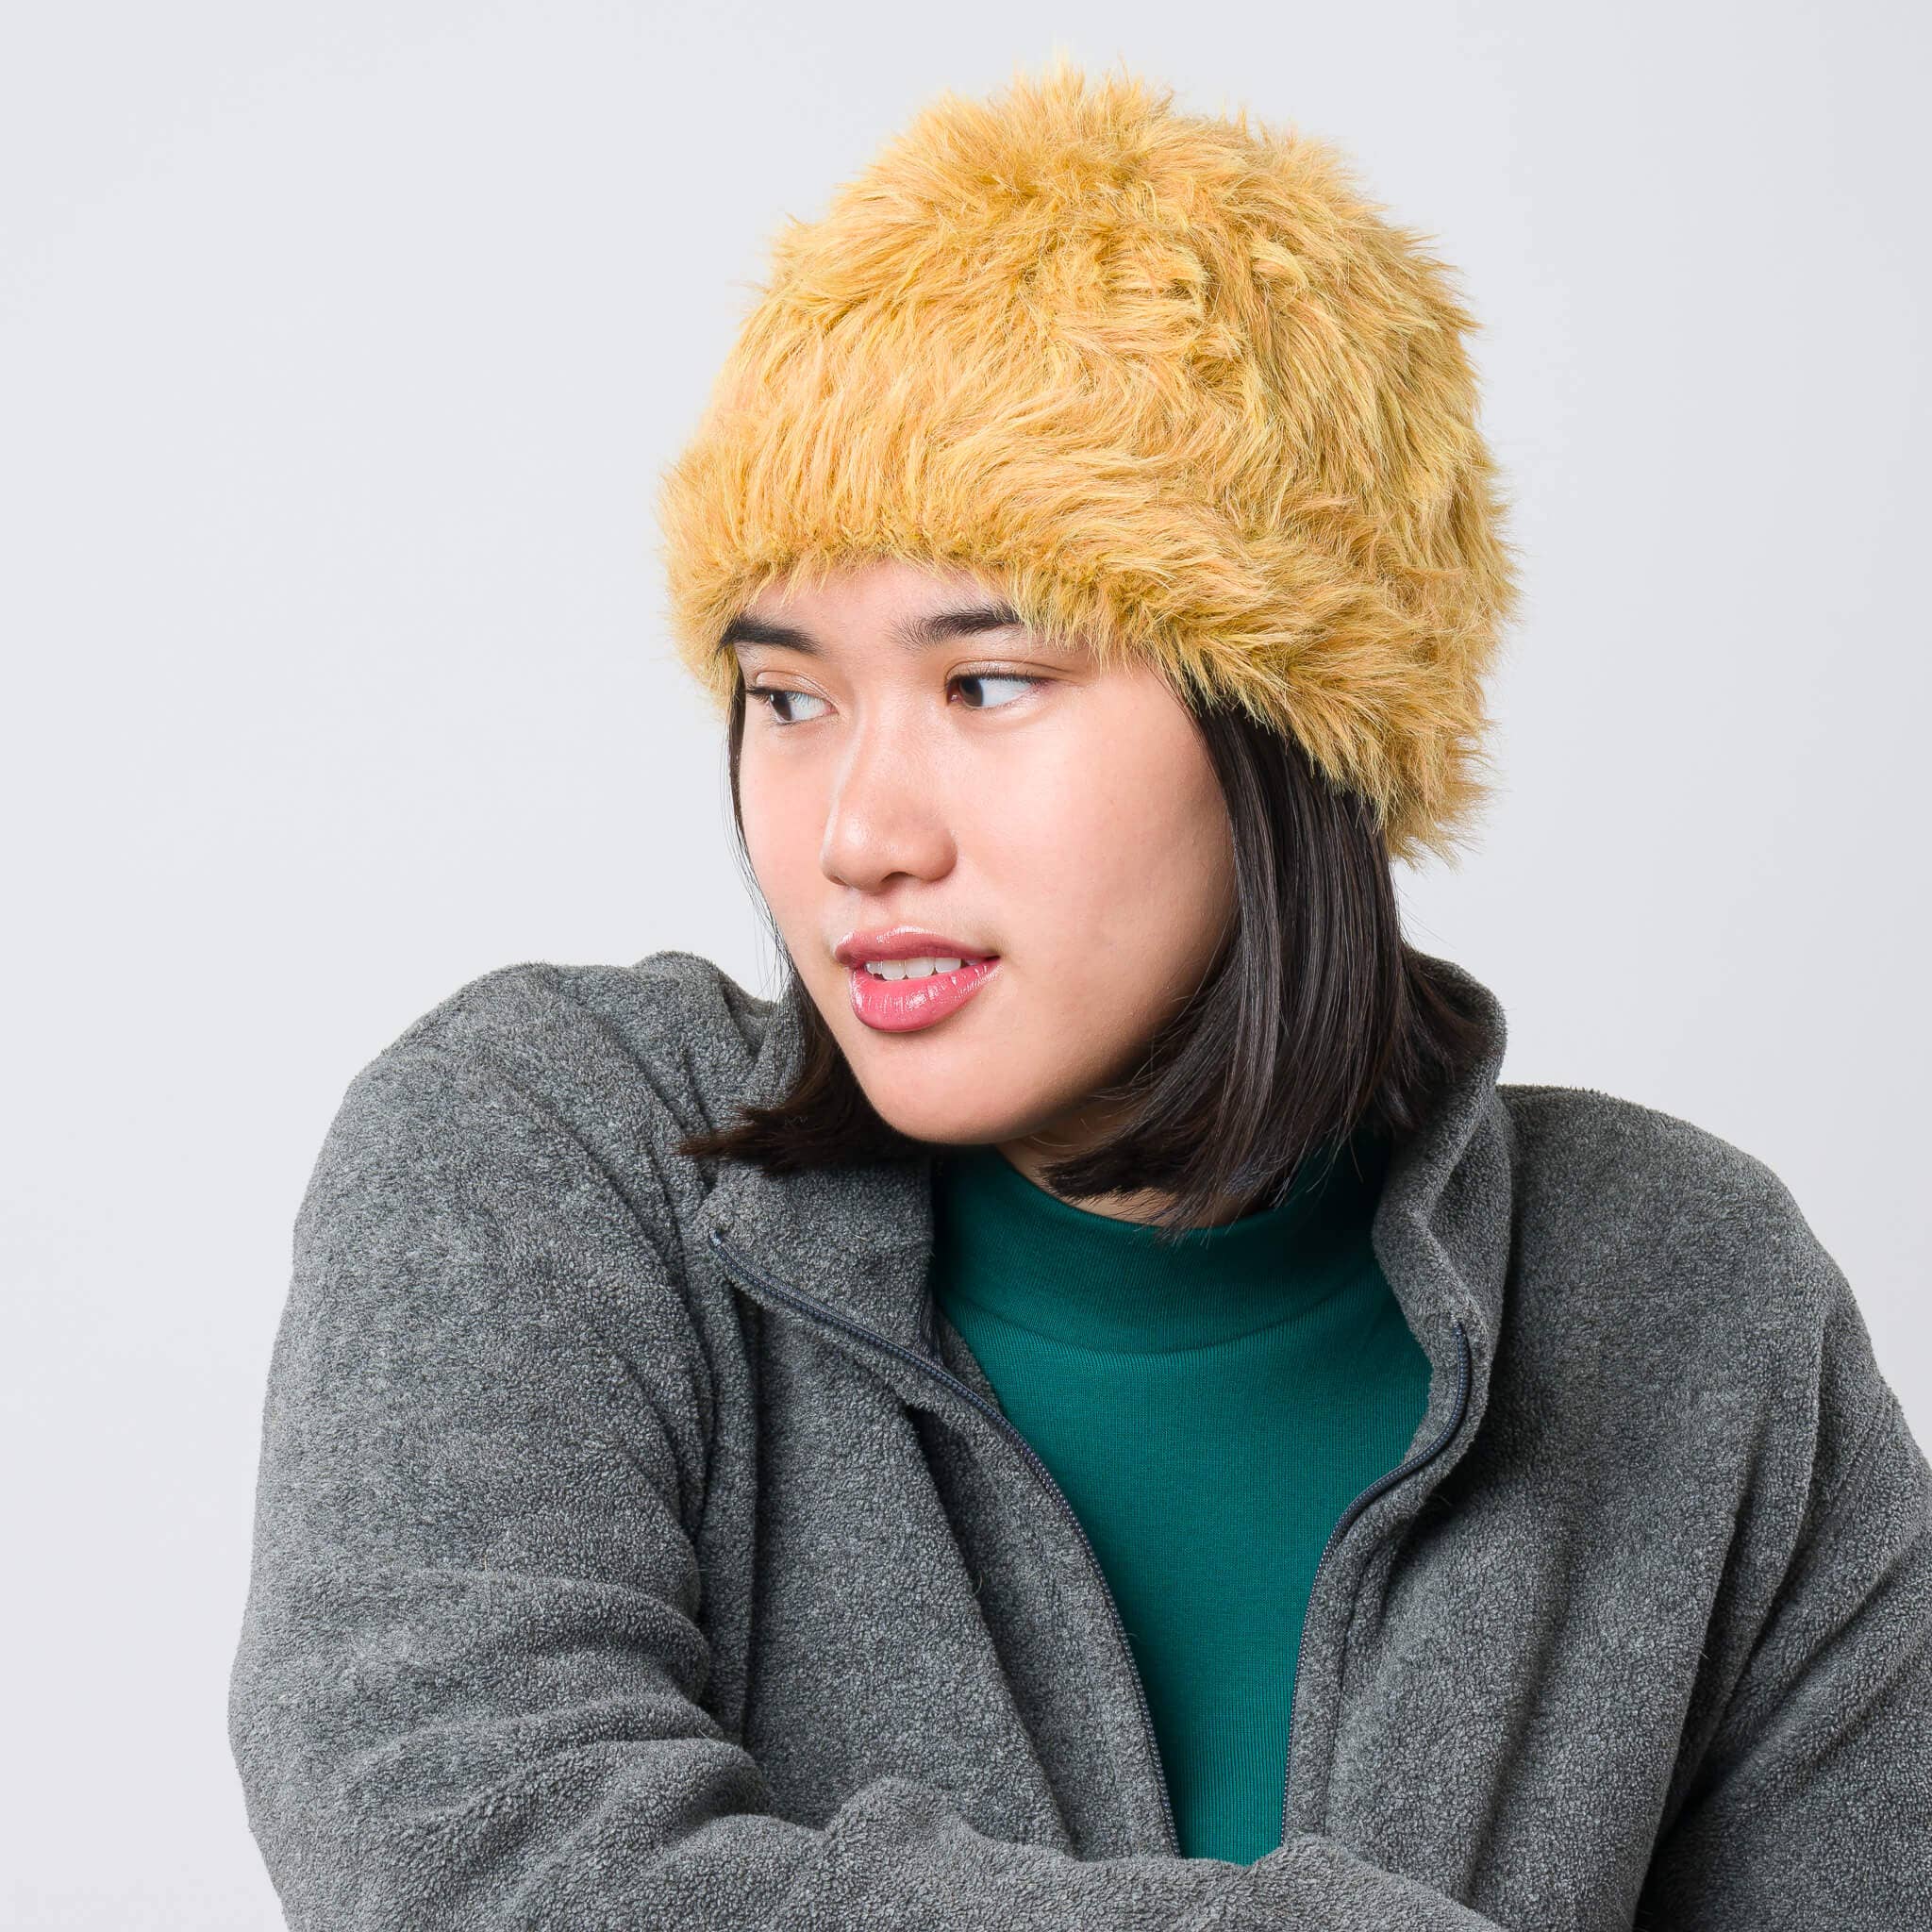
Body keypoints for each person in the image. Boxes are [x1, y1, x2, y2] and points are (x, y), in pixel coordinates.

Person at [227, 58, 1932, 1928]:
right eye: (789, 696)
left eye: (988, 684)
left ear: (1294, 726)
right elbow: (473, 1857)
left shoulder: (1686, 1300)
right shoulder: (553, 1151)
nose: (859, 833)